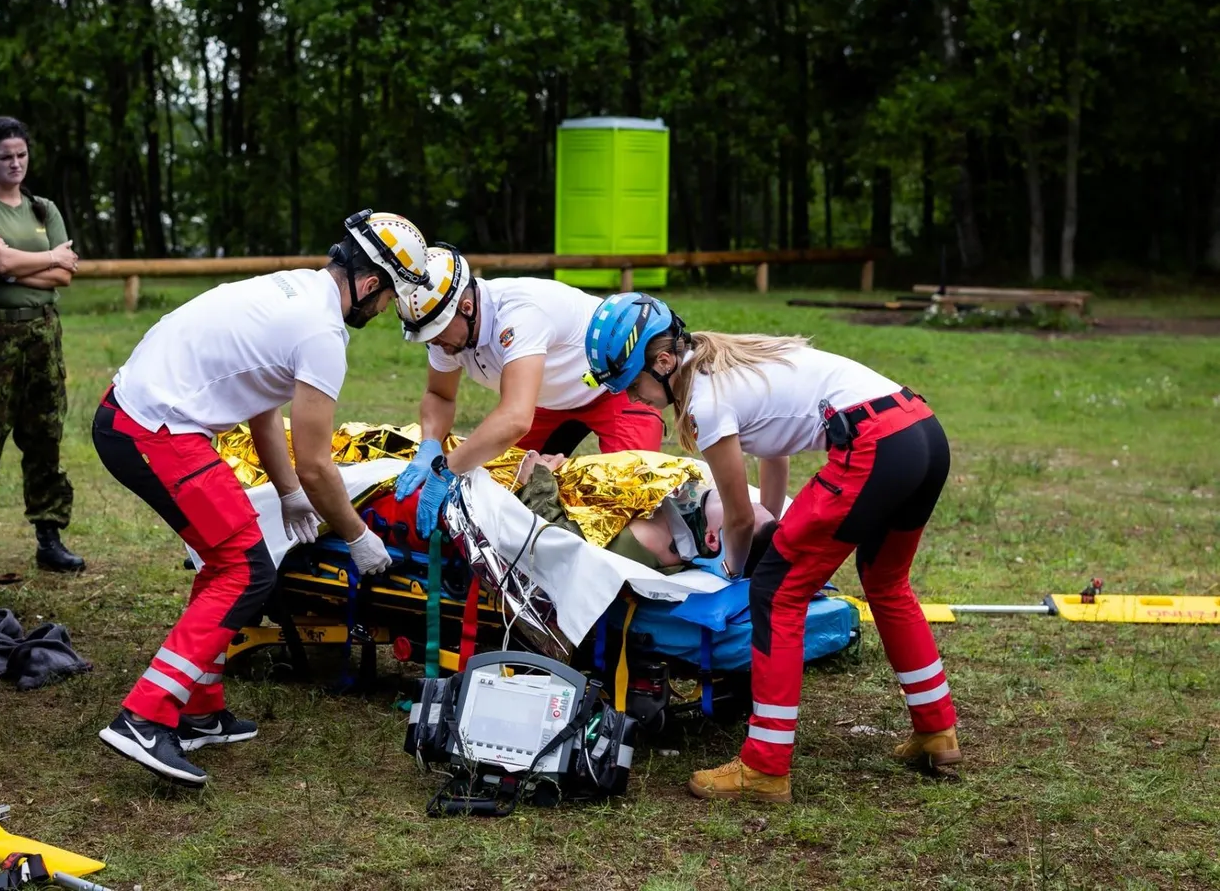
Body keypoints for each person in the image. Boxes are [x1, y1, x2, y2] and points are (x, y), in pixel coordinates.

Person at [90, 209, 431, 787]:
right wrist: (358, 536)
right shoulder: (322, 334)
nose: (382, 311)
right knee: (247, 570)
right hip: (155, 428)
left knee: (232, 560)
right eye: (388, 298)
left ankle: (199, 709)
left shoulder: (296, 289)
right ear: (371, 282)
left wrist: (289, 493)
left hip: (140, 416)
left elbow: (262, 407)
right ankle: (145, 717)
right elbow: (320, 463)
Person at [582, 292, 957, 804]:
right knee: (886, 582)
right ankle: (937, 729)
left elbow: (737, 517)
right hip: (920, 430)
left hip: (873, 444)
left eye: (633, 385)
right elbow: (775, 456)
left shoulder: (705, 402)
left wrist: (736, 570)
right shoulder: (731, 367)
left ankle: (764, 765)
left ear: (663, 361)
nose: (635, 400)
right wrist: (778, 527)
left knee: (775, 594)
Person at [392, 246, 664, 539]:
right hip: (543, 399)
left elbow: (515, 418)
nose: (435, 343)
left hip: (616, 388)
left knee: (631, 500)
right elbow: (439, 396)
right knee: (501, 491)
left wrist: (445, 470)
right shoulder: (445, 333)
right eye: (427, 337)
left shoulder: (520, 314)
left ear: (466, 308)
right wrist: (430, 445)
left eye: (438, 332)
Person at [0, 116, 85, 573]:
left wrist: (19, 266)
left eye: (21, 155)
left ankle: (49, 536)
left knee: (44, 434)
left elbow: (65, 273)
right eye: (5, 157)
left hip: (43, 331)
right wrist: (42, 259)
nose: (15, 164)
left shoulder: (43, 209)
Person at [511, 451, 778, 576]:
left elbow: (559, 547)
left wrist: (537, 481)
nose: (743, 499)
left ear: (711, 539)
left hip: (516, 487)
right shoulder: (680, 496)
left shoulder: (642, 543)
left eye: (744, 510)